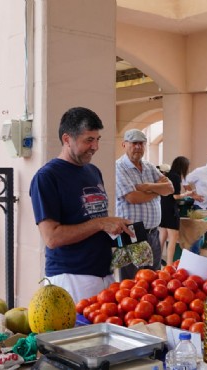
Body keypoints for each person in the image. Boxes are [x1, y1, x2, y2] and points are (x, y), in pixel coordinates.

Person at [30, 107, 133, 303]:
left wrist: (120, 231)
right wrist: (101, 223)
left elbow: (91, 220)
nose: (95, 146)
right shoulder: (47, 177)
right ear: (67, 139)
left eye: (97, 139)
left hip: (105, 274)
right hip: (71, 278)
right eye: (89, 140)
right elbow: (51, 237)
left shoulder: (93, 171)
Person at [116, 129, 174, 279]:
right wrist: (158, 190)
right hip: (132, 232)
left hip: (153, 232)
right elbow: (132, 197)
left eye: (141, 144)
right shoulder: (119, 167)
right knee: (131, 283)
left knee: (153, 280)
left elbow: (170, 188)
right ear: (124, 144)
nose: (138, 147)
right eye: (134, 143)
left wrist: (148, 187)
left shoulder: (149, 166)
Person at [159, 156, 196, 264]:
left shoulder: (167, 175)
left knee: (162, 238)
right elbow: (176, 196)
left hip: (162, 207)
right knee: (173, 238)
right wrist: (187, 194)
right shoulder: (176, 177)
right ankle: (169, 265)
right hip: (170, 209)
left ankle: (156, 265)